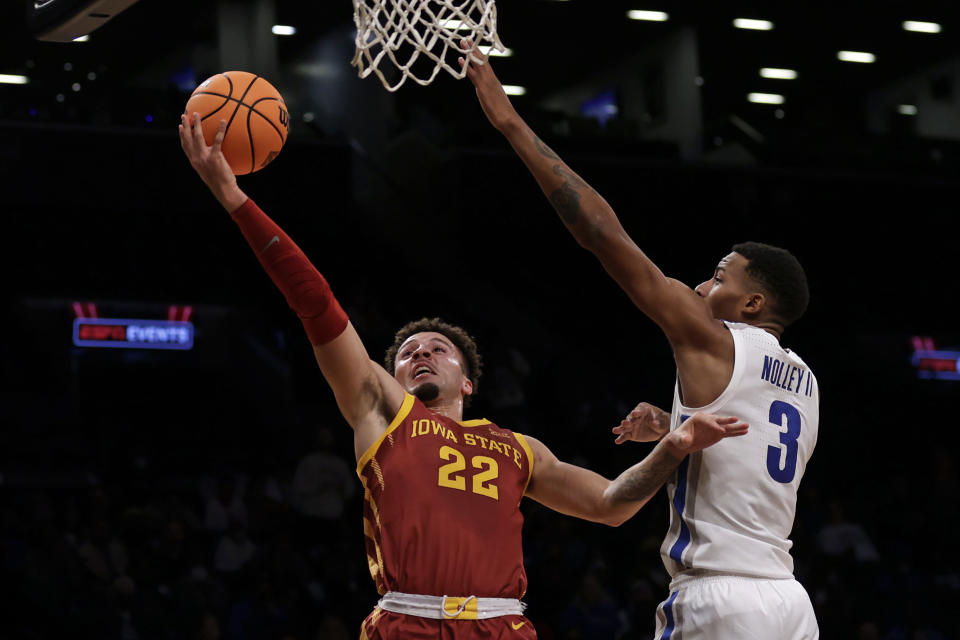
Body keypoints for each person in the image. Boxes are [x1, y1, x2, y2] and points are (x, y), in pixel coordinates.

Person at [178, 112, 749, 639]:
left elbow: (610, 504)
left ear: (469, 381)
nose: (420, 354)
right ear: (391, 375)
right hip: (408, 621)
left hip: (503, 626)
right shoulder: (382, 410)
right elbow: (315, 302)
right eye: (406, 353)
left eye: (438, 348)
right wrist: (234, 199)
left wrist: (672, 447)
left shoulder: (518, 448)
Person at [463, 44, 820, 639]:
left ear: (754, 304)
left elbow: (603, 234)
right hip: (789, 601)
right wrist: (673, 421)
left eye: (720, 275)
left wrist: (509, 122)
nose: (704, 284)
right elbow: (749, 444)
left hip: (720, 597)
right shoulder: (805, 379)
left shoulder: (714, 337)